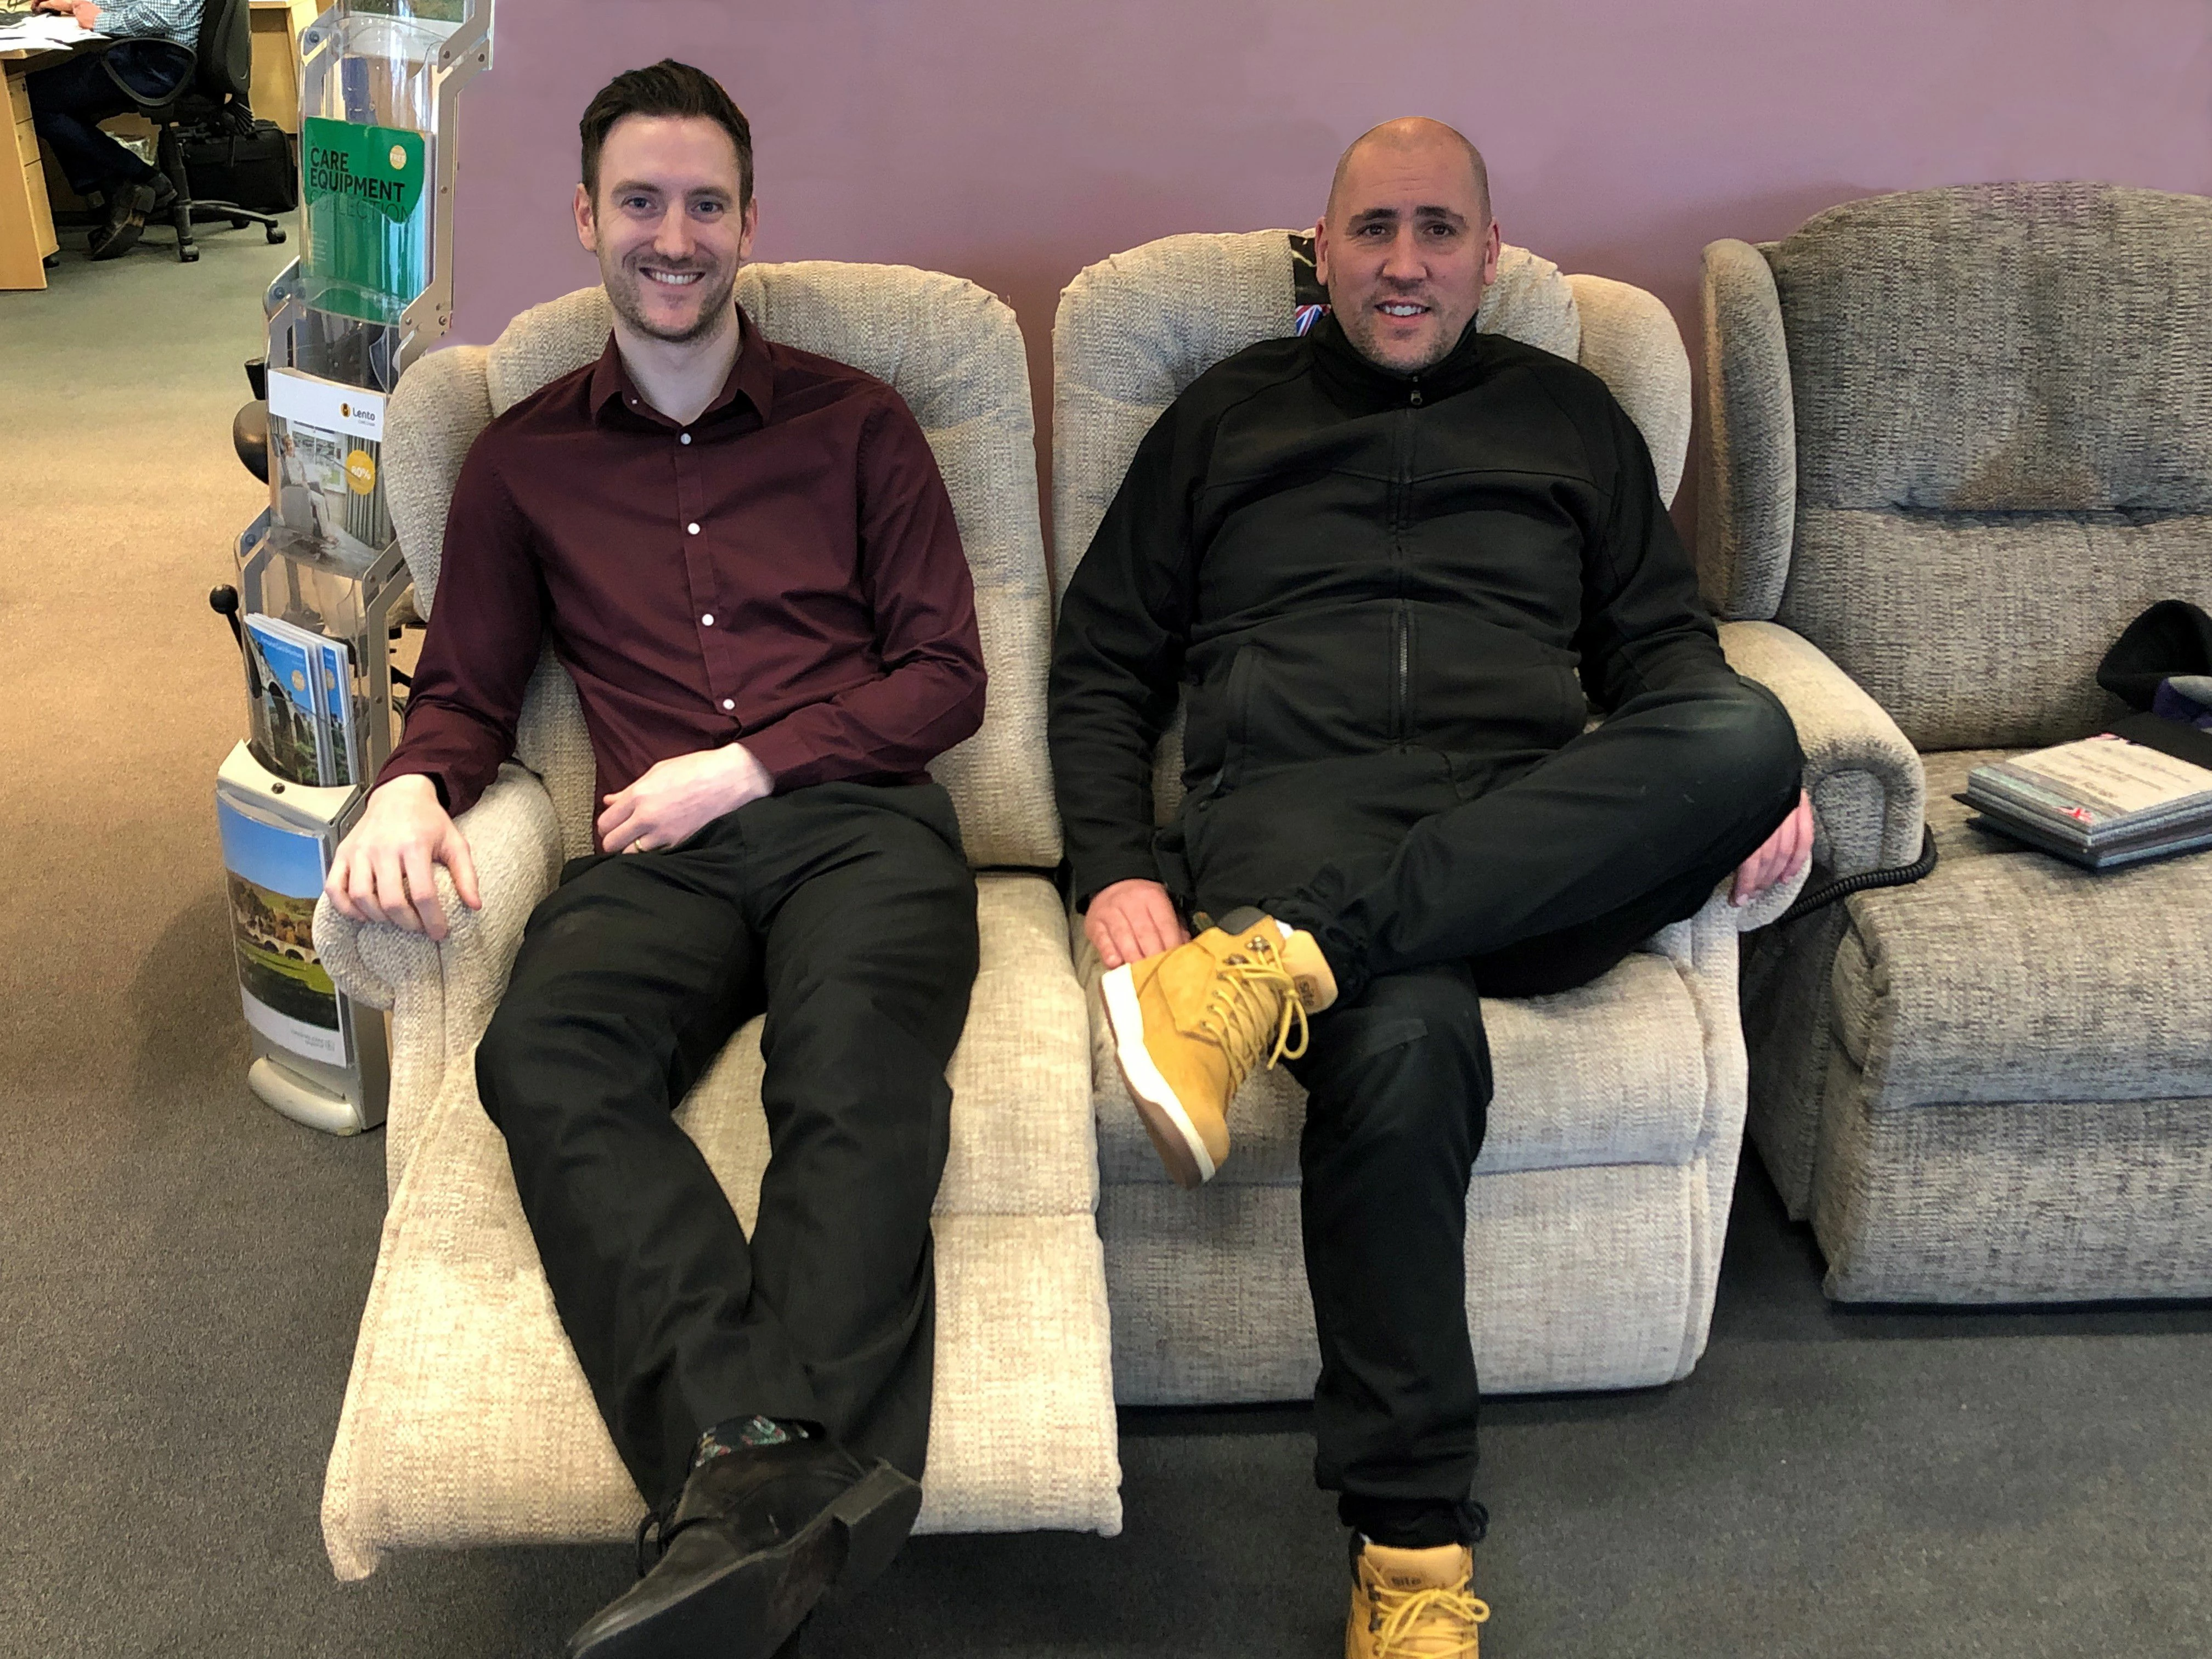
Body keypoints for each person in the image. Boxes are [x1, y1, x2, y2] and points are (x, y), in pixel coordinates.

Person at [1049, 118, 1810, 1657]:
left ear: (1489, 253)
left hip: (1533, 836)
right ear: (1318, 252)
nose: (1407, 263)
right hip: (1296, 821)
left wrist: (1747, 785)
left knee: (1747, 728)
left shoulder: (1573, 416)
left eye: (1441, 231)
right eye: (1376, 229)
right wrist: (1115, 868)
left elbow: (1663, 654)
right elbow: (1102, 664)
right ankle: (1411, 1566)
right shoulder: (1220, 419)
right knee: (1403, 1055)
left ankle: (1265, 972)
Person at [323, 60, 987, 1659]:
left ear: (749, 224)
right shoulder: (522, 461)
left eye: (704, 204)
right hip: (651, 863)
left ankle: (728, 1506)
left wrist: (746, 764)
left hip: (856, 824)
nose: (672, 235)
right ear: (585, 219)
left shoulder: (859, 425)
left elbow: (945, 679)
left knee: (849, 1071)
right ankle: (769, 1480)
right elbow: (469, 693)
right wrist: (412, 790)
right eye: (641, 202)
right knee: (540, 1055)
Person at [25, 0, 197, 259]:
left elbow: (158, 14)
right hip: (160, 58)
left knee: (35, 98)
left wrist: (98, 20)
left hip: (159, 66)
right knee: (62, 101)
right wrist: (76, 4)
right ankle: (121, 191)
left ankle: (138, 180)